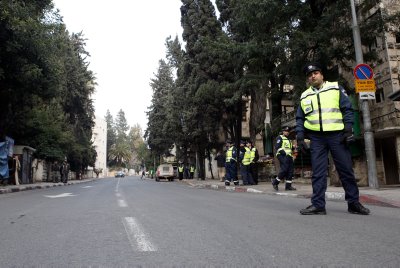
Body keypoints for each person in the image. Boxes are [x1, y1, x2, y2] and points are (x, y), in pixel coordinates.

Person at [296, 62, 370, 215]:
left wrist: (348, 128)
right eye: (310, 75)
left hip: (337, 135)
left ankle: (354, 203)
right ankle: (318, 205)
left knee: (346, 170)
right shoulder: (305, 95)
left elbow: (347, 109)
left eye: (315, 73)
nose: (313, 76)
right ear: (308, 79)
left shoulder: (335, 88)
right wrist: (300, 137)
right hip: (316, 138)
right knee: (318, 172)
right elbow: (300, 118)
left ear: (321, 74)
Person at [272, 126, 296, 191]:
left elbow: (289, 148)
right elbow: (277, 147)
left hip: (289, 156)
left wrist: (294, 148)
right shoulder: (280, 137)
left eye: (288, 131)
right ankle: (275, 182)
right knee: (284, 169)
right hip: (282, 155)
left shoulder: (289, 139)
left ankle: (288, 186)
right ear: (283, 131)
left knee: (290, 171)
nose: (287, 132)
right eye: (286, 131)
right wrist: (284, 153)